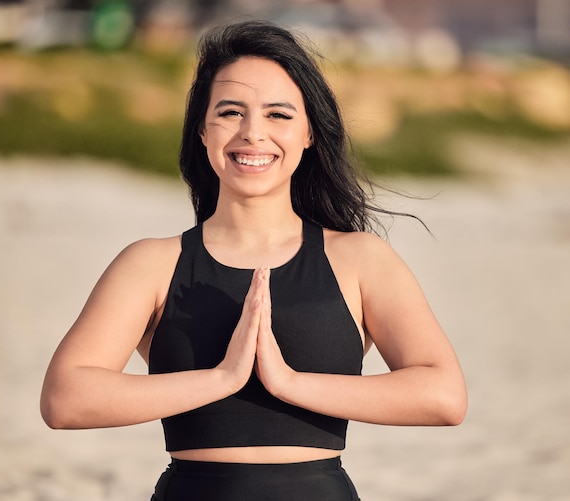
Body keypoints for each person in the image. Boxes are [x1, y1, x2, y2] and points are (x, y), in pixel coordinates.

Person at [40, 20, 467, 500]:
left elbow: (444, 396)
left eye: (278, 115)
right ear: (202, 129)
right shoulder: (151, 264)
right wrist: (221, 378)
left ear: (309, 133)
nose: (252, 134)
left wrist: (289, 382)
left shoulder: (360, 259)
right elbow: (65, 399)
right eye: (230, 112)